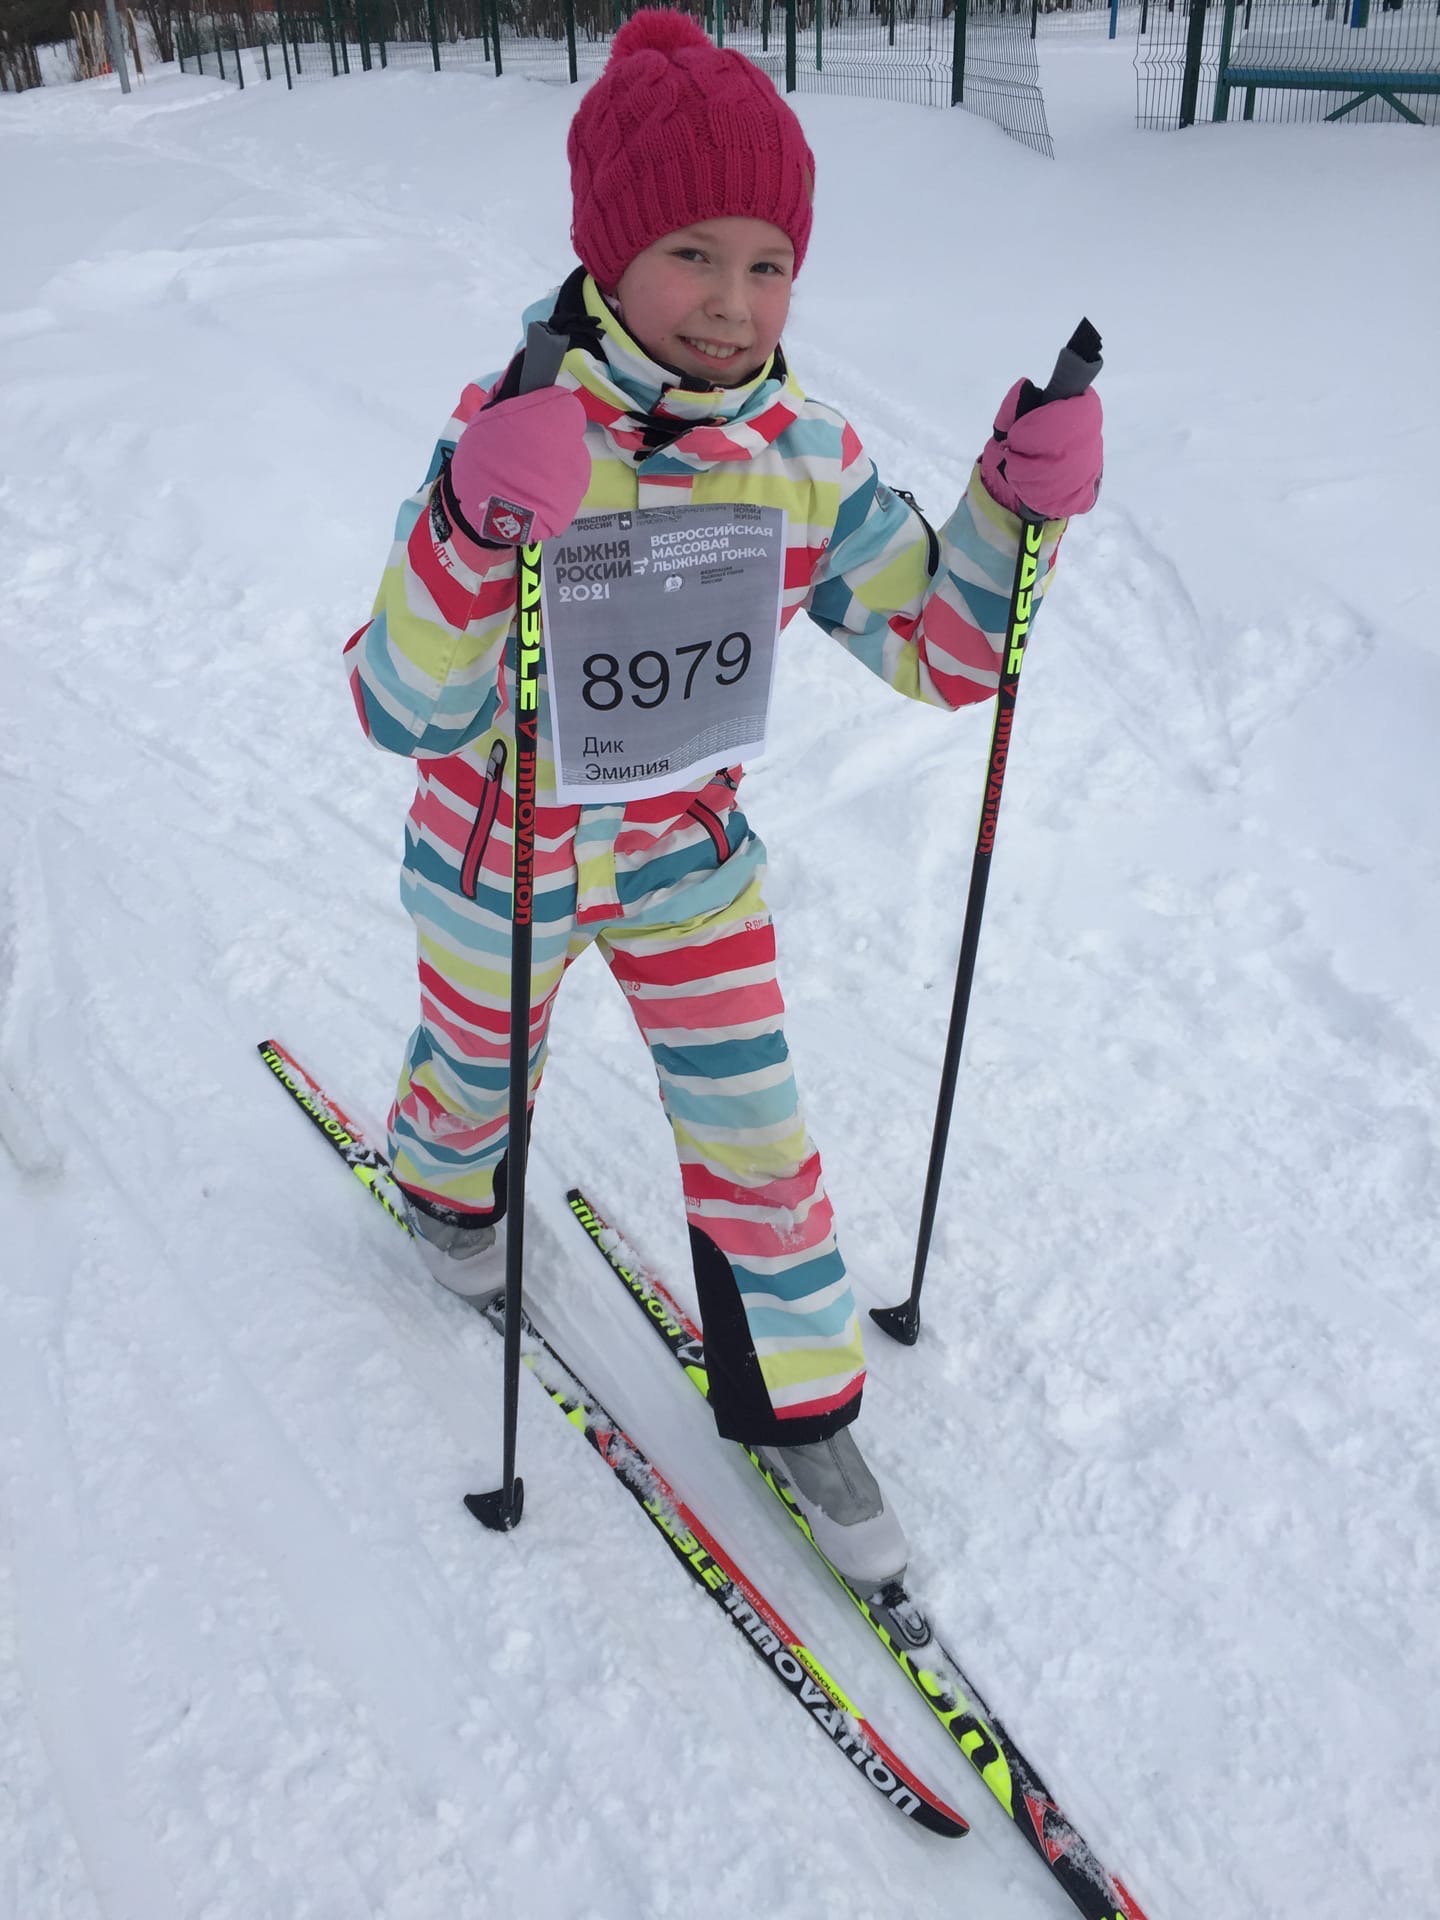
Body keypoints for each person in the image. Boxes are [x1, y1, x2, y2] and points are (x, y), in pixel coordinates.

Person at [345, 9, 1101, 1593]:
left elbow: (942, 647)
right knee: (478, 1073)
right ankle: (445, 1190)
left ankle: (800, 1402)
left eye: (769, 264)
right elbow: (398, 702)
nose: (734, 302)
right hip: (500, 850)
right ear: (610, 255)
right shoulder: (514, 428)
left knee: (758, 1124)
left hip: (686, 857)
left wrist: (1012, 511)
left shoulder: (800, 455)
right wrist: (473, 526)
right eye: (692, 254)